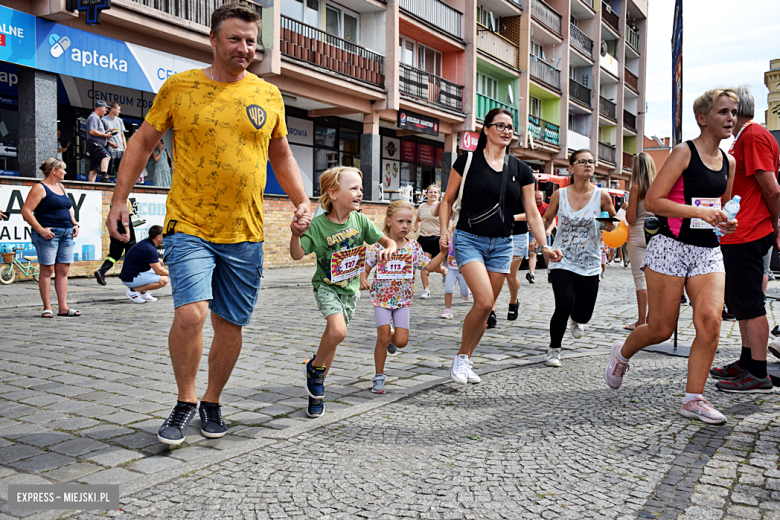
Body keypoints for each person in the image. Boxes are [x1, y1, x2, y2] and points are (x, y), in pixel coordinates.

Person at [106, 3, 312, 446]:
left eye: (251, 41)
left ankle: (212, 401)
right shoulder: (179, 88)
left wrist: (301, 200)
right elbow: (142, 142)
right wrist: (119, 199)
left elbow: (281, 155)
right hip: (190, 224)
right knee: (190, 314)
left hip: (246, 231)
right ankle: (185, 400)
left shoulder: (267, 94)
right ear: (214, 40)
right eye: (235, 39)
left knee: (230, 325)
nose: (244, 48)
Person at [604, 88, 739, 424]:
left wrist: (726, 223)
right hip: (670, 246)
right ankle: (622, 353)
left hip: (707, 250)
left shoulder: (730, 162)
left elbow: (720, 206)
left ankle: (693, 398)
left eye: (733, 113)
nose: (730, 119)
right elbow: (653, 201)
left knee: (710, 321)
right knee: (661, 328)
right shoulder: (683, 152)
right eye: (723, 112)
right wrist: (697, 212)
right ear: (703, 118)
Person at [438, 108, 560, 385]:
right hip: (469, 239)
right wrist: (445, 229)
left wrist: (544, 246)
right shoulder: (467, 160)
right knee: (482, 302)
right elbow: (447, 200)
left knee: (487, 306)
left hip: (503, 244)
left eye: (510, 127)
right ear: (486, 129)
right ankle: (460, 358)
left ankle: (466, 358)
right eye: (500, 126)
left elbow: (532, 213)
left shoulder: (521, 169)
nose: (507, 131)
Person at [292, 167, 395, 416]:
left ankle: (316, 392)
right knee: (338, 331)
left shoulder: (360, 220)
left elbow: (388, 241)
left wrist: (388, 249)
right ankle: (315, 370)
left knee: (334, 339)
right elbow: (297, 255)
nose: (360, 193)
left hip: (350, 291)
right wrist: (295, 235)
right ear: (333, 193)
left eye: (361, 188)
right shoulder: (317, 226)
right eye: (354, 188)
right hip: (326, 286)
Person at [710, 86, 780, 394]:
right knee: (741, 303)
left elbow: (772, 188)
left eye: (728, 111)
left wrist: (777, 224)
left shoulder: (753, 136)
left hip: (749, 233)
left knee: (751, 304)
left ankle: (759, 373)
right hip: (741, 232)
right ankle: (747, 363)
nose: (724, 117)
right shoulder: (748, 137)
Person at [360, 200, 445, 393]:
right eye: (400, 221)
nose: (405, 226)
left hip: (402, 302)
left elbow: (429, 267)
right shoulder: (377, 246)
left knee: (401, 341)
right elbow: (365, 268)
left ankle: (392, 338)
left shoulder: (413, 248)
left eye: (409, 221)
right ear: (389, 221)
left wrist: (443, 253)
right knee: (381, 338)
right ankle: (379, 377)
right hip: (381, 299)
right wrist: (363, 279)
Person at [542, 150, 617, 368]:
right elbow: (546, 220)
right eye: (582, 161)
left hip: (590, 262)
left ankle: (578, 319)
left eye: (591, 162)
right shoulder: (560, 195)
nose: (588, 165)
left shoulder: (601, 196)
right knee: (563, 304)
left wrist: (608, 225)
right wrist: (542, 239)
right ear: (571, 168)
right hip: (561, 259)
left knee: (583, 314)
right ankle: (554, 349)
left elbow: (612, 224)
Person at [20, 158, 80, 318]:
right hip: (49, 234)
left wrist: (75, 223)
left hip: (67, 232)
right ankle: (47, 307)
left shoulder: (61, 186)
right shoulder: (39, 188)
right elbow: (26, 211)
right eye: (63, 169)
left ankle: (63, 307)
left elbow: (67, 208)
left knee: (63, 269)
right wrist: (41, 230)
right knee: (47, 269)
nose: (65, 172)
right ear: (54, 170)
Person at [624, 153, 657, 330]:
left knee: (640, 280)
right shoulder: (660, 188)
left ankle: (641, 321)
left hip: (637, 234)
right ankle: (652, 318)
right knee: (654, 279)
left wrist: (627, 207)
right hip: (656, 235)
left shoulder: (635, 188)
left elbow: (630, 218)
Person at [412, 184, 446, 298]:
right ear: (426, 194)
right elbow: (418, 219)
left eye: (435, 192)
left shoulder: (443, 207)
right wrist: (416, 226)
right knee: (424, 266)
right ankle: (426, 290)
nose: (433, 194)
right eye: (430, 192)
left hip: (438, 239)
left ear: (439, 194)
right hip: (424, 239)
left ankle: (444, 272)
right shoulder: (422, 207)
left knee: (437, 268)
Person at [120, 224, 169, 303]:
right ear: (159, 237)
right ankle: (133, 291)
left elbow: (155, 260)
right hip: (130, 278)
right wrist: (175, 273)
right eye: (165, 236)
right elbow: (159, 271)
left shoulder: (147, 244)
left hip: (130, 275)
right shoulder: (150, 248)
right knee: (164, 280)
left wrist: (170, 262)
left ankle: (143, 293)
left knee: (157, 272)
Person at [94, 199, 137, 286]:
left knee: (114, 255)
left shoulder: (113, 201)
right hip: (125, 229)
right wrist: (128, 233)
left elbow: (108, 221)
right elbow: (126, 219)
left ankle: (102, 271)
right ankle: (129, 277)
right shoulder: (124, 200)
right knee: (132, 254)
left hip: (115, 229)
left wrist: (112, 233)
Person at [506, 206, 530, 321]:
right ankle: (492, 310)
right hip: (497, 232)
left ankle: (513, 302)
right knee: (496, 275)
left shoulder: (522, 189)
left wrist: (511, 218)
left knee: (510, 276)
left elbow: (530, 214)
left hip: (518, 235)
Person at [527, 191, 554, 284]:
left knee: (546, 254)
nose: (538, 200)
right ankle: (531, 274)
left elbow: (553, 221)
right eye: (536, 198)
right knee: (532, 253)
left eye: (540, 199)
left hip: (543, 233)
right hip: (531, 232)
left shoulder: (546, 207)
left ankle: (550, 271)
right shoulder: (530, 206)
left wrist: (549, 230)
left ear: (543, 198)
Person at [441, 239, 470, 319]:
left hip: (462, 270)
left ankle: (466, 294)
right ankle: (447, 310)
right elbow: (442, 252)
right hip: (451, 269)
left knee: (464, 292)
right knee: (448, 289)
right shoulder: (449, 239)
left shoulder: (467, 239)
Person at [86, 100, 112, 183]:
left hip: (95, 142)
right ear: (101, 108)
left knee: (95, 167)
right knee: (106, 156)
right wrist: (106, 135)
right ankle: (104, 177)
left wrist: (107, 131)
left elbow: (96, 131)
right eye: (105, 109)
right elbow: (92, 131)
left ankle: (91, 185)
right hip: (94, 142)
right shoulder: (94, 117)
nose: (105, 112)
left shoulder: (96, 118)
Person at [102, 102, 127, 180]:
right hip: (109, 148)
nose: (119, 112)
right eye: (118, 110)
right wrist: (109, 143)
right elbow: (101, 135)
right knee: (108, 168)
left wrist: (125, 147)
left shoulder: (119, 120)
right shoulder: (103, 120)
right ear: (112, 109)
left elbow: (122, 134)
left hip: (120, 149)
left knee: (120, 169)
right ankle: (106, 183)